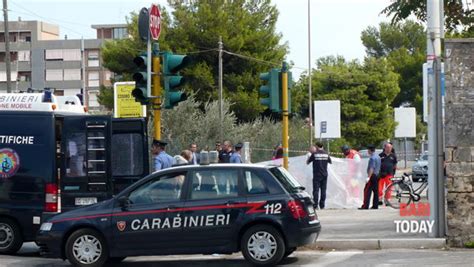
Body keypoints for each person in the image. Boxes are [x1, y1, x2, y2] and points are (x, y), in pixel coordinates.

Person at [306, 142, 332, 209]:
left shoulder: (314, 154)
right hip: (324, 175)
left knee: (316, 190)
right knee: (323, 190)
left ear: (317, 146)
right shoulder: (326, 154)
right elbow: (330, 162)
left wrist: (309, 156)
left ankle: (315, 205)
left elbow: (307, 162)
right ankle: (322, 205)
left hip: (317, 175)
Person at [360, 145, 381, 209]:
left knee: (367, 190)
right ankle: (375, 205)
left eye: (368, 150)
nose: (367, 151)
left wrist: (368, 177)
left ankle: (365, 205)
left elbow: (371, 168)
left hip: (372, 176)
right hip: (377, 175)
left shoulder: (372, 158)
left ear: (369, 150)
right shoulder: (378, 157)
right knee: (376, 191)